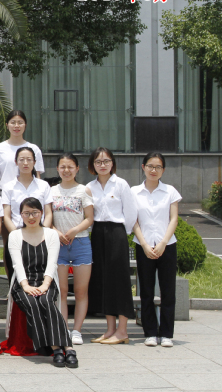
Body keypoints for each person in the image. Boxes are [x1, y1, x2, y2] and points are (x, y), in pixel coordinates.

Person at [7, 197, 77, 368]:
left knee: (46, 301)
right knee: (32, 303)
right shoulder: (15, 235)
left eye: (35, 213)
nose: (31, 217)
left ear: (41, 213)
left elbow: (52, 263)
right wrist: (26, 286)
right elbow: (17, 265)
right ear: (20, 215)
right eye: (27, 213)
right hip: (23, 282)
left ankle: (68, 348)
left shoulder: (51, 234)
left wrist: (45, 285)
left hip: (46, 279)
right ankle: (56, 349)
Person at [86, 147, 137, 345]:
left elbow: (130, 213)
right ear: (93, 165)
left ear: (112, 163)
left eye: (106, 161)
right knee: (104, 280)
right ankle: (110, 329)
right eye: (98, 162)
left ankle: (122, 331)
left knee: (120, 280)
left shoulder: (121, 184)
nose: (102, 165)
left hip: (117, 233)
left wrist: (123, 234)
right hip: (98, 233)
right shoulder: (89, 187)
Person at [132, 153, 181, 348]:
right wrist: (144, 244)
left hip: (167, 246)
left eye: (158, 167)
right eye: (150, 166)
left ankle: (167, 334)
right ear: (143, 167)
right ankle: (150, 332)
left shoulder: (170, 191)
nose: (154, 170)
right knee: (146, 291)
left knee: (168, 291)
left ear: (163, 170)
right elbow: (133, 220)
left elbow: (174, 219)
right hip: (143, 245)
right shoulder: (134, 192)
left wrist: (163, 242)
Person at [51, 153, 94, 346]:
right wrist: (56, 231)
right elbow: (47, 218)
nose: (66, 170)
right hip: (58, 244)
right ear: (57, 169)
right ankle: (63, 329)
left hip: (81, 243)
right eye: (62, 167)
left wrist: (75, 230)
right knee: (61, 290)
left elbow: (89, 218)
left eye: (70, 167)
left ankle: (77, 330)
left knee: (80, 291)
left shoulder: (84, 190)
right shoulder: (51, 191)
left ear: (77, 169)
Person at [1, 147, 53, 280]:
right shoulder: (8, 187)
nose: (25, 163)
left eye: (29, 159)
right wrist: (16, 235)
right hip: (17, 236)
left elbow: (48, 213)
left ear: (35, 162)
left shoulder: (43, 186)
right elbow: (6, 216)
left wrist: (44, 233)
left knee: (41, 275)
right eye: (21, 159)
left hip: (40, 237)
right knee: (17, 276)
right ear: (16, 162)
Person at [0, 110, 44, 191]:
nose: (16, 126)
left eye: (20, 123)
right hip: (5, 192)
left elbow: (37, 176)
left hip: (29, 192)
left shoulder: (34, 148)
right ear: (7, 125)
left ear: (25, 125)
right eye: (13, 123)